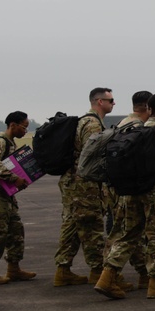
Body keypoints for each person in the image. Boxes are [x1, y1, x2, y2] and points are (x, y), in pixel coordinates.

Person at [94, 93, 155, 299]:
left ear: (150, 109)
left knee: (128, 236)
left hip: (132, 191)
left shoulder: (137, 129)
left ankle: (107, 277)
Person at [53, 87, 114, 287]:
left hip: (75, 183)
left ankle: (63, 270)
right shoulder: (92, 124)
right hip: (85, 184)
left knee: (72, 225)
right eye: (110, 100)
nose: (113, 103)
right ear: (99, 102)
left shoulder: (86, 121)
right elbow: (91, 156)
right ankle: (97, 271)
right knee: (91, 225)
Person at [0, 111, 37, 285]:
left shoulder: (11, 143)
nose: (25, 130)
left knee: (16, 232)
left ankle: (14, 268)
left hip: (6, 196)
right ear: (13, 125)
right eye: (24, 127)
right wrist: (14, 178)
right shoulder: (0, 142)